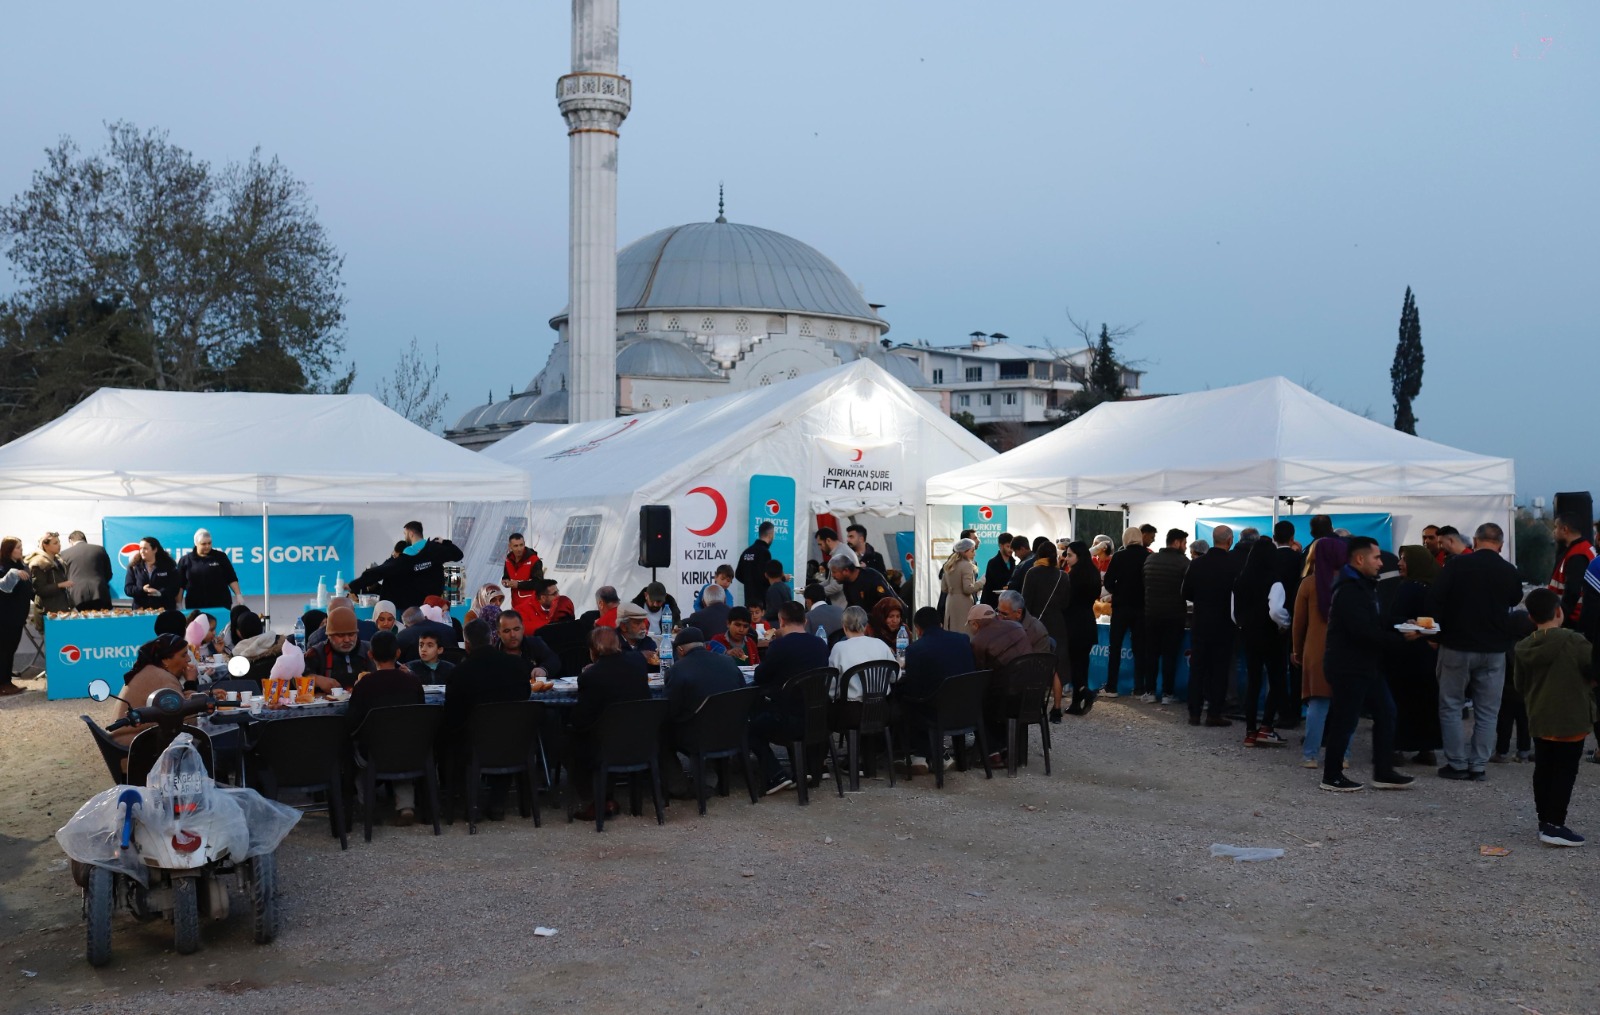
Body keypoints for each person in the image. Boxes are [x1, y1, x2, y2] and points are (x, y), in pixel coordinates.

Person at [1317, 536, 1422, 792]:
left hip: (1366, 665)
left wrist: (1405, 622)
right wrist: (1401, 639)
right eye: (1376, 558)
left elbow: (1378, 619)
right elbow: (1363, 632)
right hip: (1348, 666)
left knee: (1387, 712)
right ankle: (1332, 776)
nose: (1381, 563)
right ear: (1360, 559)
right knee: (1345, 720)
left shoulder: (1364, 585)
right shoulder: (1349, 589)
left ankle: (1383, 771)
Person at [1425, 522, 1523, 780]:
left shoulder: (1457, 565)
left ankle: (1456, 763)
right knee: (1488, 710)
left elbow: (1436, 597)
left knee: (1451, 705)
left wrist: (1435, 633)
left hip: (1456, 645)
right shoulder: (1509, 570)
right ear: (1500, 545)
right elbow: (1514, 599)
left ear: (1476, 542)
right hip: (1494, 649)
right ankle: (1478, 765)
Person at [1512, 588, 1595, 846]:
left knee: (1544, 769)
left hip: (1540, 717)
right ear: (1559, 612)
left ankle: (1544, 820)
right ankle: (1555, 824)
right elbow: (1592, 671)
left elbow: (1519, 685)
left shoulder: (1523, 647)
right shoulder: (1576, 642)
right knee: (1565, 771)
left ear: (1531, 618)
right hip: (1572, 718)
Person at [343, 630, 426, 825]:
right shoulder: (413, 681)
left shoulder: (365, 685)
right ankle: (406, 806)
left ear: (370, 655)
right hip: (411, 750)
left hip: (374, 752)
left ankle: (367, 806)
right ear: (398, 653)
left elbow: (352, 722)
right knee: (400, 742)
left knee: (356, 755)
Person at [566, 626, 651, 818]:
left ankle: (597, 801)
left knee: (570, 743)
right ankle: (608, 798)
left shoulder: (591, 676)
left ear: (593, 651)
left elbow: (580, 720)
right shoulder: (638, 661)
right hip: (642, 740)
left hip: (606, 746)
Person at [748, 601, 831, 794]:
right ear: (805, 620)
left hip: (788, 721)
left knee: (749, 728)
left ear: (781, 621)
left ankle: (775, 774)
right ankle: (805, 769)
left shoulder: (779, 646)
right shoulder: (820, 644)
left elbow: (760, 676)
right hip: (817, 718)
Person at [1293, 537, 1348, 769]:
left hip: (1315, 650)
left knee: (1318, 704)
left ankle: (1310, 755)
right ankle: (1343, 755)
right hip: (1346, 651)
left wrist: (1296, 650)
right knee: (1346, 706)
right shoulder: (1351, 583)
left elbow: (1299, 624)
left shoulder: (1308, 584)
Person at [1385, 546, 1442, 765]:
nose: (1399, 563)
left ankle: (1397, 747)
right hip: (1429, 653)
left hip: (1405, 654)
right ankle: (1427, 748)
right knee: (1426, 700)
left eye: (1405, 560)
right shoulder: (1436, 588)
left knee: (1401, 699)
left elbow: (1394, 617)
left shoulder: (1407, 588)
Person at [1234, 536, 1291, 746]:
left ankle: (1250, 730)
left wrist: (1244, 624)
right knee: (1276, 681)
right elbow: (1276, 610)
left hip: (1248, 634)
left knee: (1253, 682)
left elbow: (1234, 612)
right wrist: (1285, 624)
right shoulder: (1274, 579)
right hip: (1270, 635)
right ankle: (1266, 726)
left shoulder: (1240, 578)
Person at [1181, 525, 1238, 728]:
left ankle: (1194, 713)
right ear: (1230, 540)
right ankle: (1214, 713)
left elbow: (1185, 592)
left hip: (1201, 622)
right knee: (1219, 670)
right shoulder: (1234, 565)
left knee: (1197, 669)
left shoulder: (1197, 564)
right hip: (1224, 624)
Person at [347, 521, 463, 612]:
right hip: (432, 603)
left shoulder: (407, 554)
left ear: (410, 533)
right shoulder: (436, 549)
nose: (405, 536)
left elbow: (383, 570)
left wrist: (355, 585)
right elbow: (458, 555)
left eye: (405, 533)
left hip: (409, 605)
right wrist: (445, 542)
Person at [109, 633, 196, 748]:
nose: (189, 659)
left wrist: (206, 694)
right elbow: (188, 720)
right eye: (183, 655)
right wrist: (191, 683)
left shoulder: (150, 670)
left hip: (125, 743)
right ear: (165, 660)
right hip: (135, 750)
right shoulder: (162, 678)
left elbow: (176, 703)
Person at [1021, 542, 1070, 722]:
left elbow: (1025, 602)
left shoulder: (1032, 573)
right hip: (1058, 623)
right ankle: (1056, 710)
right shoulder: (1062, 576)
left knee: (1036, 665)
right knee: (1056, 667)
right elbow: (1066, 603)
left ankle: (1033, 706)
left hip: (1036, 624)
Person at [1143, 529, 1190, 706]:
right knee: (1170, 655)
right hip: (1174, 615)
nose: (1185, 547)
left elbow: (1145, 583)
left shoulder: (1150, 559)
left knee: (1152, 654)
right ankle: (1168, 693)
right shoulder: (1183, 562)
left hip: (1151, 613)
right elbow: (1188, 590)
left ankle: (1150, 691)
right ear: (1177, 542)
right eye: (1184, 543)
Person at [1103, 526, 1149, 700]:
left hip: (1121, 607)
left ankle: (1112, 687)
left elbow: (1108, 582)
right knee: (1140, 648)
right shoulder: (1147, 556)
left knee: (1115, 647)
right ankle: (1139, 688)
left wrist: (1119, 590)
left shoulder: (1119, 556)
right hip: (1141, 608)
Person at [664, 626, 744, 726]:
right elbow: (742, 692)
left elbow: (670, 709)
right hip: (732, 730)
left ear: (680, 650)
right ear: (705, 646)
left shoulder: (677, 670)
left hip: (695, 734)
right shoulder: (729, 662)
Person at [1061, 540, 1102, 714]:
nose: (1067, 558)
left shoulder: (1074, 575)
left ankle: (1085, 693)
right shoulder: (1093, 572)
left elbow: (1066, 601)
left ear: (1079, 556)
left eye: (1070, 555)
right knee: (1082, 663)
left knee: (1074, 664)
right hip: (1088, 621)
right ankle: (1077, 702)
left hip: (1074, 624)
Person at [1272, 521, 1306, 725]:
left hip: (1272, 620)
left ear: (1274, 537)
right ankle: (1294, 712)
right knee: (1295, 668)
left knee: (1276, 669)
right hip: (1295, 617)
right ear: (1292, 537)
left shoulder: (1269, 558)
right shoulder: (1299, 559)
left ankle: (1280, 711)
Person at [828, 605, 895, 698]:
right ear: (866, 626)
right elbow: (895, 676)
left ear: (844, 627)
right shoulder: (881, 644)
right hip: (881, 707)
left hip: (850, 709)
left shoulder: (839, 648)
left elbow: (832, 688)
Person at [306, 605, 373, 691]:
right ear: (329, 635)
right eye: (340, 635)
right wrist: (316, 680)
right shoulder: (316, 653)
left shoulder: (370, 650)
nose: (347, 640)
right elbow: (296, 676)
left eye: (351, 634)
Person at [1547, 512, 1595, 629]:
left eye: (1556, 527)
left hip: (1573, 621)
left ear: (1564, 529)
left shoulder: (1577, 556)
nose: (1554, 531)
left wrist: (1559, 618)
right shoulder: (1583, 548)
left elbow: (1572, 592)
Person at [176, 529, 241, 610]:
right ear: (196, 543)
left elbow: (231, 578)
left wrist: (238, 595)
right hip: (195, 604)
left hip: (220, 603)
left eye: (209, 543)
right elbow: (180, 585)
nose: (207, 546)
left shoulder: (220, 557)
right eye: (203, 544)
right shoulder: (185, 560)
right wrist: (178, 603)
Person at [967, 602, 1031, 672]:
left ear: (975, 624)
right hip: (1031, 673)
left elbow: (979, 671)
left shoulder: (977, 642)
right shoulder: (1016, 625)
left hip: (1008, 680)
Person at [497, 610, 561, 679]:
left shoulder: (534, 643)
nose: (512, 635)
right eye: (507, 631)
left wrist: (544, 669)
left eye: (516, 629)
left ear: (523, 629)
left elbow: (553, 659)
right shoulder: (493, 654)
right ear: (499, 634)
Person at [58, 531, 112, 610]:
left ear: (70, 541)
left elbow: (62, 576)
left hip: (77, 594)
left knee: (81, 621)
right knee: (102, 620)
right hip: (100, 591)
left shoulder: (63, 554)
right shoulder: (100, 549)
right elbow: (108, 573)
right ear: (84, 539)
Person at [124, 536, 181, 610]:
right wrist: (142, 589)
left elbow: (174, 588)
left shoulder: (168, 566)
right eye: (140, 548)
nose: (142, 551)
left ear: (155, 550)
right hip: (140, 611)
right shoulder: (134, 567)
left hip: (164, 610)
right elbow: (128, 589)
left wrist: (160, 593)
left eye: (145, 548)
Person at [27, 532, 74, 621]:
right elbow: (39, 590)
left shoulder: (59, 561)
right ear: (45, 545)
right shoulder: (39, 563)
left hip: (62, 609)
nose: (59, 545)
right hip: (48, 612)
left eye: (59, 542)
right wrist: (60, 585)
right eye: (55, 543)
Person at [502, 532, 545, 627]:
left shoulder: (534, 560)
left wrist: (519, 585)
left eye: (521, 545)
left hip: (531, 607)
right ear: (510, 546)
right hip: (515, 606)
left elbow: (539, 583)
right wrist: (505, 581)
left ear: (524, 543)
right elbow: (506, 575)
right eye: (516, 546)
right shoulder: (508, 560)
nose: (519, 549)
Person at [941, 538, 984, 632]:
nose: (974, 553)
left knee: (951, 629)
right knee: (964, 631)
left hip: (950, 601)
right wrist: (981, 582)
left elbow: (944, 588)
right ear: (965, 551)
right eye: (972, 551)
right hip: (963, 602)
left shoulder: (948, 565)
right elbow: (967, 589)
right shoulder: (967, 565)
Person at [831, 554, 899, 612]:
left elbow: (889, 601)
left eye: (834, 572)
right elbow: (853, 606)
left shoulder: (871, 577)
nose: (833, 576)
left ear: (846, 570)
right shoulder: (847, 584)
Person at [736, 522, 776, 609]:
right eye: (773, 535)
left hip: (749, 598)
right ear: (770, 534)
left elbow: (738, 574)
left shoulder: (747, 551)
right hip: (761, 600)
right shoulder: (765, 552)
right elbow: (767, 576)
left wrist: (749, 582)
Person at [997, 590, 1050, 654]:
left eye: (1004, 614)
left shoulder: (1037, 632)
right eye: (998, 612)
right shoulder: (997, 622)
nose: (1000, 618)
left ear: (1018, 613)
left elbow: (1039, 662)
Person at [980, 532, 1017, 610]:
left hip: (1007, 602)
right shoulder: (993, 562)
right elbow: (997, 582)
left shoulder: (1013, 562)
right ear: (1001, 546)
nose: (1011, 550)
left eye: (1012, 547)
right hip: (992, 603)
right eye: (1008, 546)